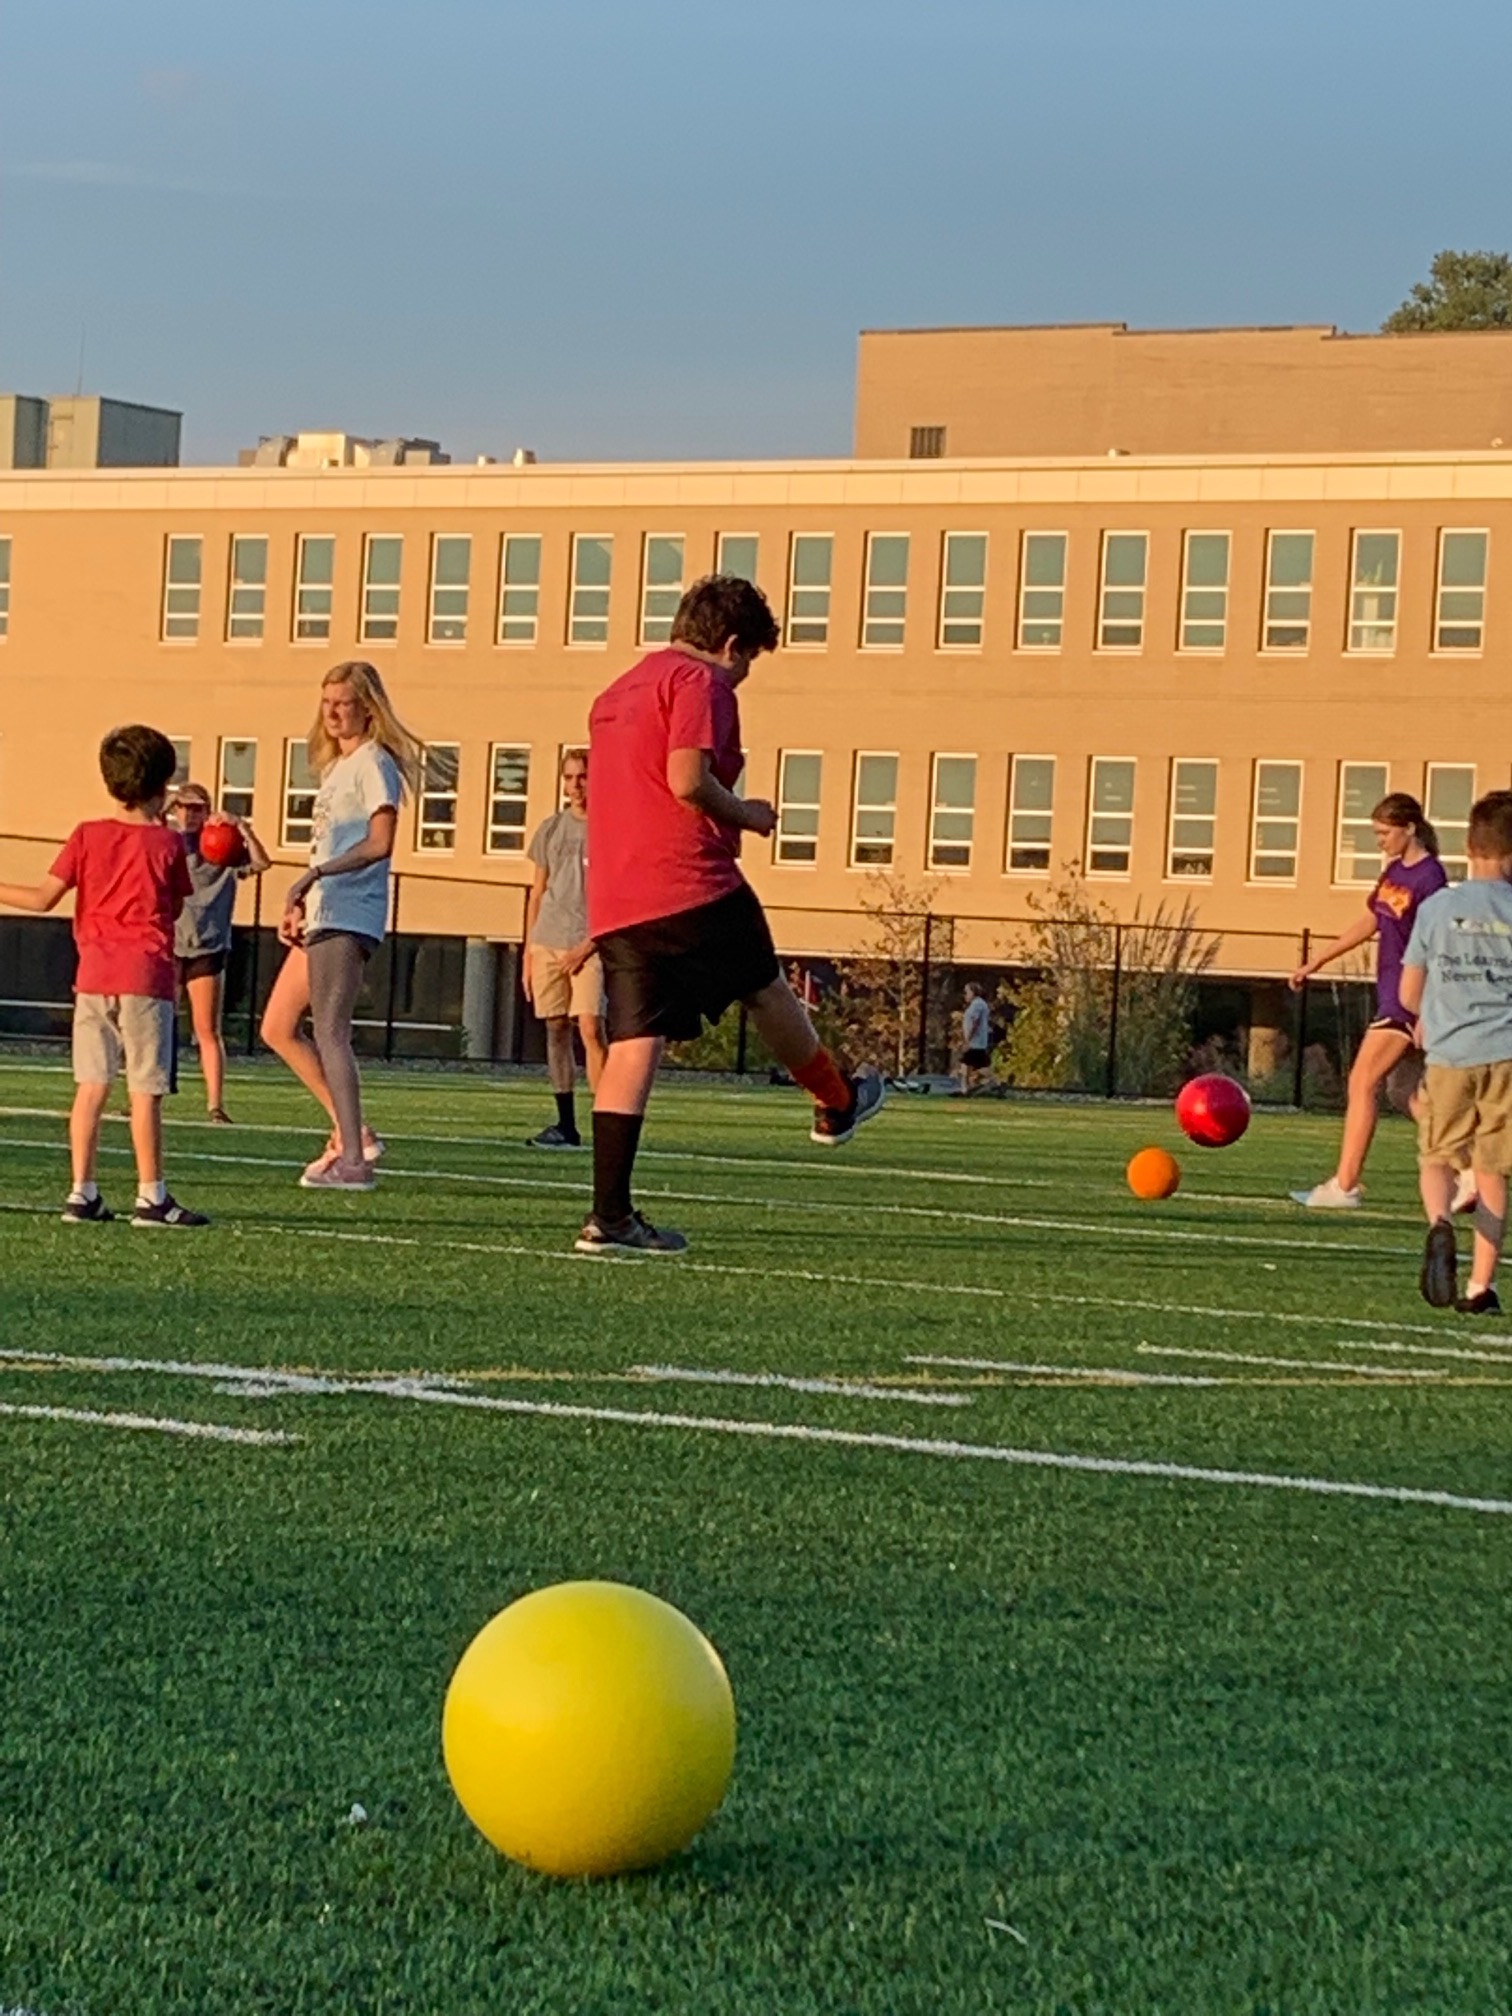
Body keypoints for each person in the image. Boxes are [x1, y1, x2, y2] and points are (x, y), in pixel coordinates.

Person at [581, 572, 884, 1256]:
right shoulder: (701, 681)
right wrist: (746, 813)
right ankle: (836, 1103)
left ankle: (610, 1216)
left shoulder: (616, 691)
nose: (743, 675)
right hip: (689, 881)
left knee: (634, 1045)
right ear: (731, 644)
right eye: (748, 660)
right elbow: (687, 779)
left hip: (617, 897)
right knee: (765, 987)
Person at [0, 725, 208, 1226]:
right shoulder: (166, 843)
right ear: (162, 784)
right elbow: (176, 904)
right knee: (145, 1090)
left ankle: (82, 1191)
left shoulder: (86, 835)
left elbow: (42, 898)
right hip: (146, 976)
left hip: (92, 975)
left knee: (91, 1086)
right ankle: (151, 1195)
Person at [260, 660, 420, 1190]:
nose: (331, 713)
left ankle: (354, 1158)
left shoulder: (374, 762)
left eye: (343, 703)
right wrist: (303, 901)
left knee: (330, 1031)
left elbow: (380, 842)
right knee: (277, 1026)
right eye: (326, 702)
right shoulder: (338, 769)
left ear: (367, 708)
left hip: (349, 911)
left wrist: (316, 875)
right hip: (325, 909)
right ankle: (353, 1133)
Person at [1288, 792, 1452, 1209]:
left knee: (1362, 1081)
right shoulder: (1394, 872)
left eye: (1384, 833)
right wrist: (1318, 960)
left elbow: (1439, 944)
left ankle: (1345, 1185)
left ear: (1409, 828)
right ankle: (1467, 1164)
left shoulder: (1431, 877)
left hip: (1407, 1000)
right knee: (1404, 1093)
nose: (1379, 841)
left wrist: (1426, 1010)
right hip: (1392, 995)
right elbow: (1372, 919)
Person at [1400, 791, 1512, 1315]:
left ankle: (1440, 1222)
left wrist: (1431, 1013)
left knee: (1437, 1156)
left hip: (1449, 1054)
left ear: (1469, 847)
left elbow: (1408, 994)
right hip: (1506, 1054)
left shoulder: (1437, 908)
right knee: (1491, 1171)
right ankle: (1479, 1287)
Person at [169, 781, 271, 1124]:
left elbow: (261, 863)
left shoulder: (222, 845)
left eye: (196, 808)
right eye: (183, 807)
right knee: (158, 1024)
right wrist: (167, 804)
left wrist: (241, 826)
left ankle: (215, 1105)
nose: (189, 814)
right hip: (170, 943)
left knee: (207, 1030)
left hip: (207, 946)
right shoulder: (168, 841)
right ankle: (147, 1095)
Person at [522, 748, 607, 1148]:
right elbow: (537, 892)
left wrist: (588, 945)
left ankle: (609, 1122)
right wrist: (529, 951)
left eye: (583, 776)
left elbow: (619, 896)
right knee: (555, 1028)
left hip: (590, 943)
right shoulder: (551, 829)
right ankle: (566, 1124)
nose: (576, 785)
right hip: (548, 940)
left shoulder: (610, 829)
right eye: (570, 777)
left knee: (590, 1026)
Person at [955, 981, 993, 1094]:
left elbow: (975, 1022)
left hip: (975, 1042)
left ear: (973, 992)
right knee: (973, 1065)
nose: (965, 995)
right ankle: (969, 1087)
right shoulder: (977, 1004)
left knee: (966, 1064)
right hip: (976, 1041)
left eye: (967, 992)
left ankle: (966, 1088)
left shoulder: (978, 1005)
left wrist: (968, 1039)